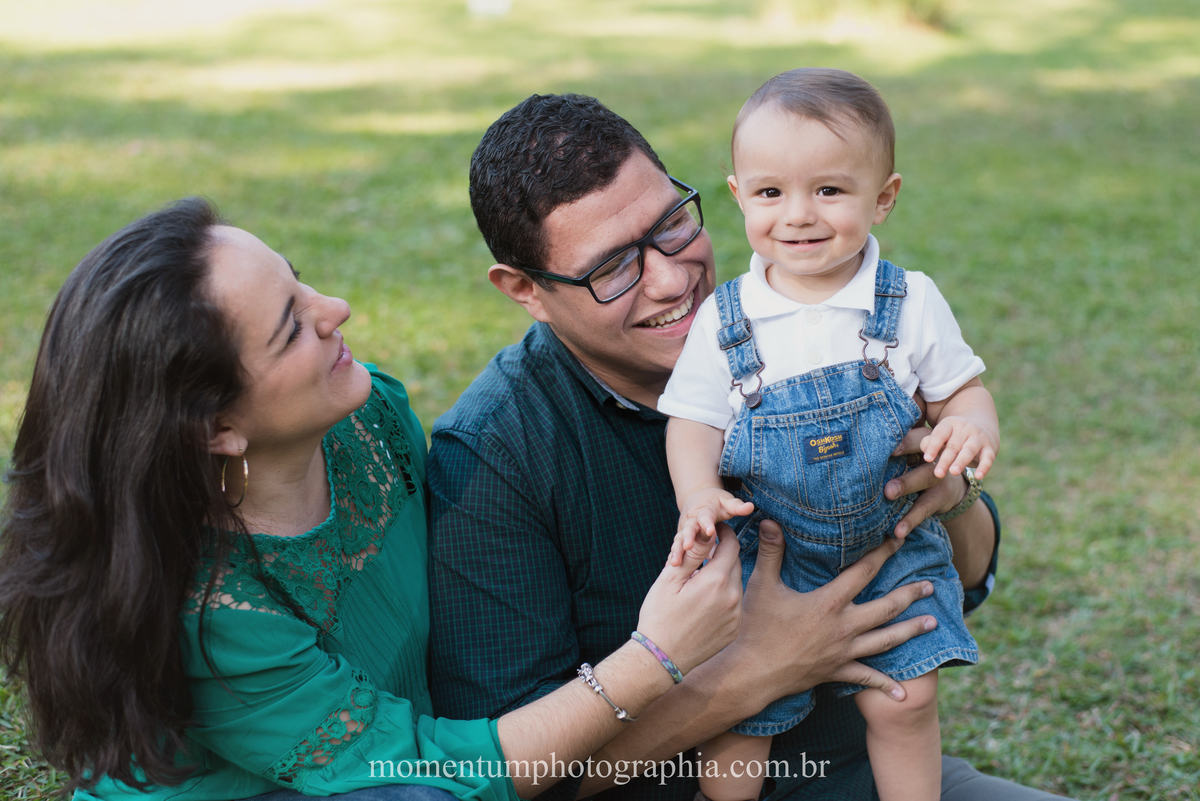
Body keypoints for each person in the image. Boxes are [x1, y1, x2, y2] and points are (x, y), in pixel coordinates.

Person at [429, 92, 1065, 801]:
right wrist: (752, 670)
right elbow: (514, 777)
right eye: (612, 268)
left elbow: (969, 579)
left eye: (672, 224)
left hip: (853, 772)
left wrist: (952, 492)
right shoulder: (493, 457)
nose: (672, 279)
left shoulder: (809, 322)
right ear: (526, 289)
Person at [0, 198, 745, 801]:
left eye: (299, 281)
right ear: (217, 428)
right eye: (294, 327)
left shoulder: (365, 412)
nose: (337, 307)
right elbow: (420, 768)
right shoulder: (211, 614)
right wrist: (656, 657)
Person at [660, 68, 1000, 801]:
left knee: (904, 699)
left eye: (831, 190)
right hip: (767, 558)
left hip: (888, 544)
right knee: (741, 715)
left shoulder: (907, 302)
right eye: (771, 192)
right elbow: (694, 419)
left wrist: (969, 427)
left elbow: (962, 389)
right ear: (738, 195)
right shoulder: (727, 320)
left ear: (884, 198)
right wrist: (698, 492)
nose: (799, 215)